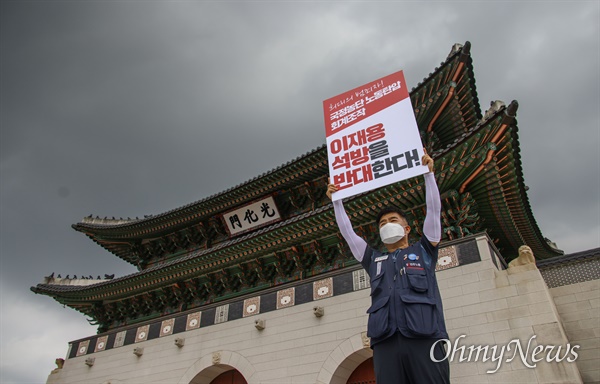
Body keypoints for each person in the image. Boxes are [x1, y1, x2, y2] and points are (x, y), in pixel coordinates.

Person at [327, 151, 450, 383]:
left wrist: (428, 175)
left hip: (425, 337)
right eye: (382, 223)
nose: (387, 225)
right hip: (385, 343)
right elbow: (347, 233)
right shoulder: (373, 260)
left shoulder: (424, 250)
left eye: (393, 221)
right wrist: (337, 202)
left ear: (407, 229)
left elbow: (434, 211)